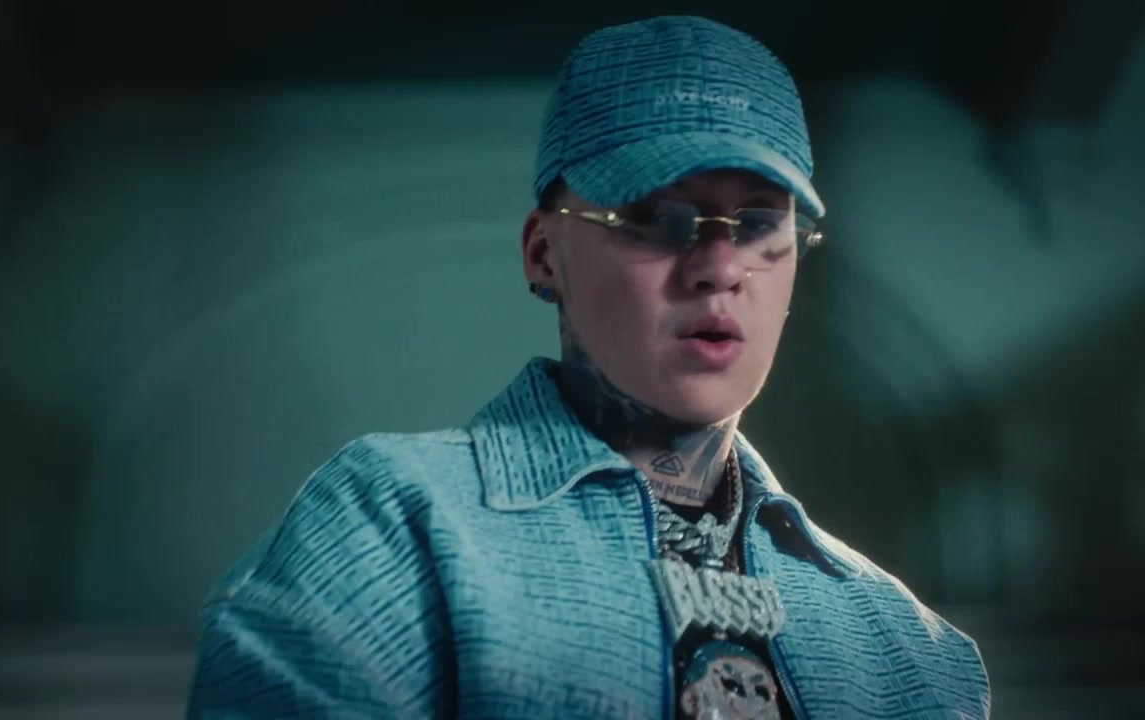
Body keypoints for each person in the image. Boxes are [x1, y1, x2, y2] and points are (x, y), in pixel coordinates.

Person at [186, 15, 991, 720]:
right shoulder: (391, 528)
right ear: (545, 253)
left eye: (757, 224)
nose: (719, 268)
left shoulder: (905, 645)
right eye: (656, 218)